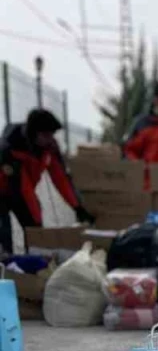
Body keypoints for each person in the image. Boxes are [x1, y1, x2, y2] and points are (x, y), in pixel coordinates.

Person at [0, 109, 94, 256]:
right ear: (33, 133)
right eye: (45, 135)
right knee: (5, 235)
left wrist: (77, 207)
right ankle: (7, 264)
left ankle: (32, 264)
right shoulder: (12, 147)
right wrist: (37, 221)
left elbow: (61, 179)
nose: (50, 139)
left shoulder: (49, 148)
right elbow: (23, 189)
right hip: (4, 189)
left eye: (51, 134)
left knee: (34, 232)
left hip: (22, 190)